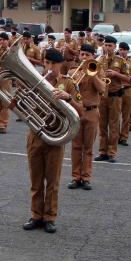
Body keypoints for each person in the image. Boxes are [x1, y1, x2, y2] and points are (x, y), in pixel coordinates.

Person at [23, 49, 82, 233]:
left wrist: (68, 98)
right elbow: (22, 103)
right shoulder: (35, 80)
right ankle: (35, 215)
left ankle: (49, 217)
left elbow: (80, 110)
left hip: (56, 137)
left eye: (53, 64)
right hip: (36, 134)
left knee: (53, 181)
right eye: (46, 63)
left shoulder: (69, 83)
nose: (49, 67)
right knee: (36, 179)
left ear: (60, 64)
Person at [68, 44, 106, 190]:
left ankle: (86, 177)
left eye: (87, 55)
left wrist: (93, 75)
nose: (84, 57)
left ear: (92, 56)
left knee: (88, 148)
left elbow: (102, 89)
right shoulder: (73, 71)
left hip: (91, 112)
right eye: (82, 54)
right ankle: (75, 177)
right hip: (76, 112)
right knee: (76, 146)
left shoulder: (98, 70)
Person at [94, 36, 131, 163]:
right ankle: (102, 151)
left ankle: (111, 152)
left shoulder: (120, 60)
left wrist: (116, 74)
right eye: (106, 45)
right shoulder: (99, 59)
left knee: (114, 124)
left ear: (115, 47)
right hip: (102, 97)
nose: (107, 48)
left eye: (110, 46)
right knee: (102, 125)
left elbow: (128, 79)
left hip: (115, 96)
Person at [117, 42, 131, 147]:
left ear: (127, 51)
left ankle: (124, 137)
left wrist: (124, 77)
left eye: (124, 50)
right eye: (120, 49)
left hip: (127, 89)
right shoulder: (115, 62)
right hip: (117, 89)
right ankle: (116, 135)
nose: (122, 51)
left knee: (126, 114)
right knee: (115, 115)